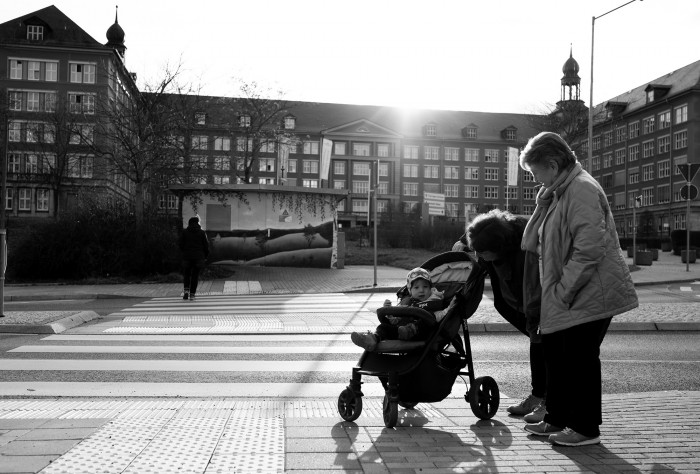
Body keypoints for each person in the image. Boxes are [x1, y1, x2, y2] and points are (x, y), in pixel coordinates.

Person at [519, 132, 638, 446]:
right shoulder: (560, 191)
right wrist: (542, 205)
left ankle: (585, 430)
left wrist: (562, 291)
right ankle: (557, 419)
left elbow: (588, 249)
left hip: (588, 291)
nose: (535, 179)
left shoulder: (581, 189)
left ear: (554, 165)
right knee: (558, 356)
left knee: (580, 360)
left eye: (535, 173)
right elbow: (533, 243)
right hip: (571, 292)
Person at [458, 209, 546, 423]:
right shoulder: (493, 229)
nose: (479, 257)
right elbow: (478, 231)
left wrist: (535, 320)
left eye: (483, 253)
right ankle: (539, 396)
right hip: (512, 303)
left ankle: (546, 400)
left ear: (499, 249)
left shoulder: (524, 251)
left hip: (538, 298)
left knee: (543, 344)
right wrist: (462, 243)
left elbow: (532, 289)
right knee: (541, 345)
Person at [351, 267, 444, 352]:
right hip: (401, 332)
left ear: (430, 288)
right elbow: (396, 321)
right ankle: (372, 339)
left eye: (425, 287)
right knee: (383, 327)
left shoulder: (434, 301)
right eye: (416, 287)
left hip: (422, 334)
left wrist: (450, 308)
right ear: (410, 290)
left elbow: (440, 315)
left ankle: (409, 330)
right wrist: (389, 313)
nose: (421, 290)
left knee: (426, 320)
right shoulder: (407, 302)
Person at [178, 216, 210, 301]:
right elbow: (206, 246)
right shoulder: (202, 233)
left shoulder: (185, 232)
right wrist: (205, 256)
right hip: (198, 257)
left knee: (187, 275)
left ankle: (186, 292)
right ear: (197, 223)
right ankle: (192, 295)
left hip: (187, 257)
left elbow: (180, 244)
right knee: (195, 276)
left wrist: (184, 251)